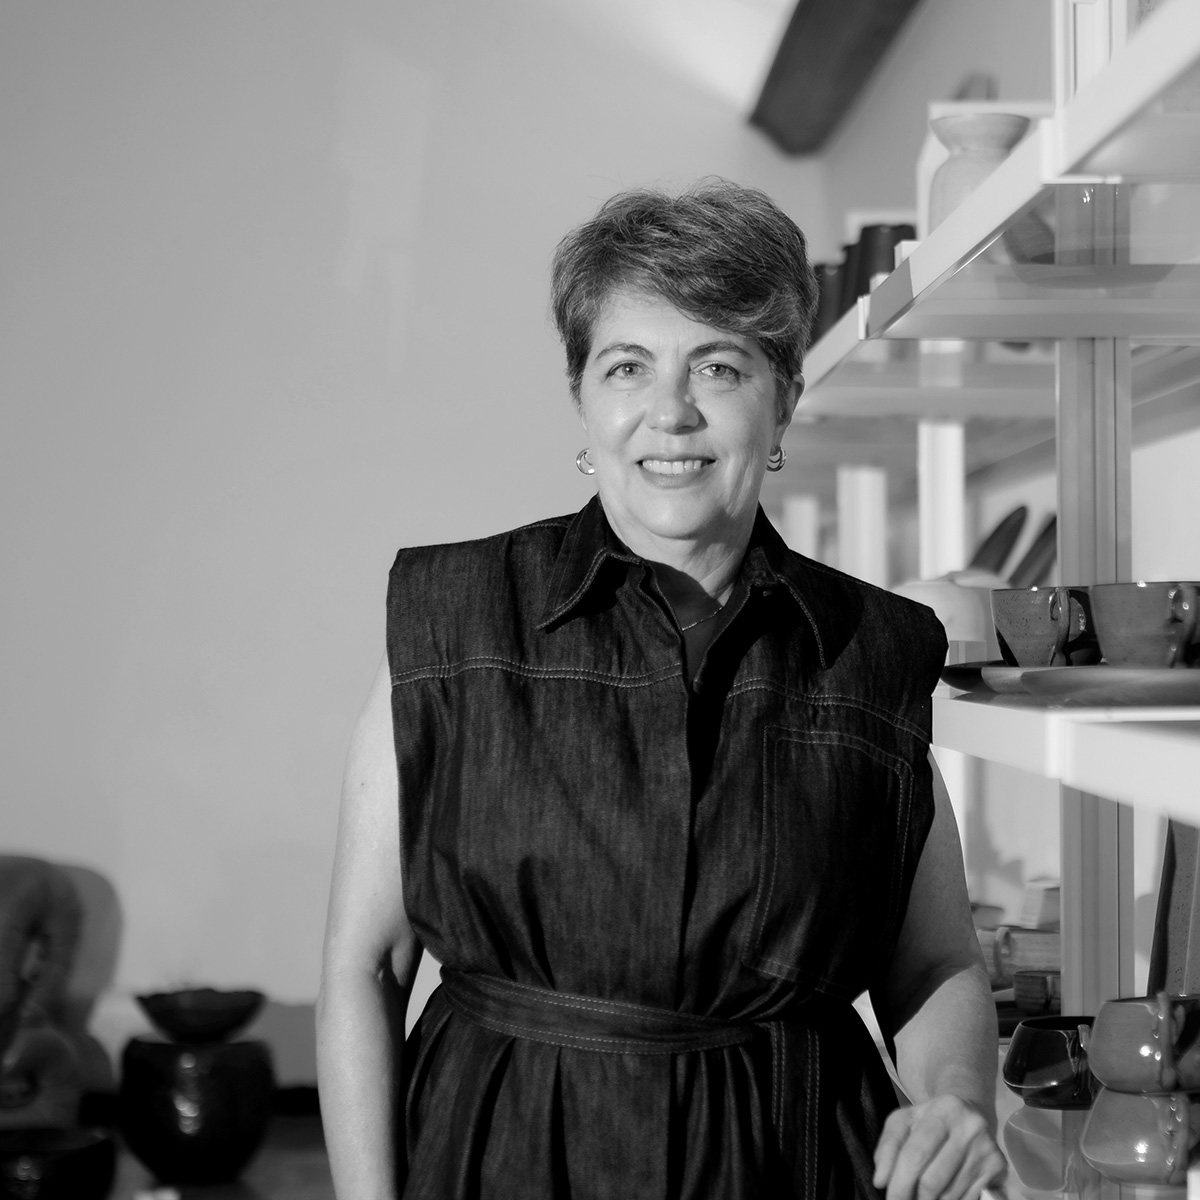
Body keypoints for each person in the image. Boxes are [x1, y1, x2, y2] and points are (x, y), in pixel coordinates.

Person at [316, 180, 1005, 1200]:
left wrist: (957, 1099)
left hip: (792, 1166)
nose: (670, 412)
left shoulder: (875, 650)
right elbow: (365, 968)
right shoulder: (450, 622)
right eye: (628, 366)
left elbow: (935, 963)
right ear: (584, 400)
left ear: (784, 398)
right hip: (500, 1161)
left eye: (718, 367)